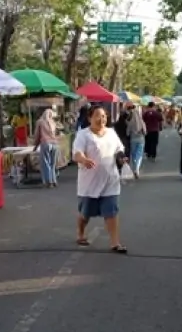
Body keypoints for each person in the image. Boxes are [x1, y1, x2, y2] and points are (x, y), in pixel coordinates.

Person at [72, 105, 128, 253]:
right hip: (89, 183)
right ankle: (80, 233)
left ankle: (115, 243)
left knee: (111, 212)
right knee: (86, 214)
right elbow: (77, 153)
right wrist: (83, 160)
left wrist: (121, 158)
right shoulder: (83, 135)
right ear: (90, 118)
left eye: (104, 116)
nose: (101, 119)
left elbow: (118, 149)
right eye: (97, 115)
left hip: (110, 180)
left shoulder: (111, 133)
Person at [34, 108, 59, 188]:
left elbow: (37, 136)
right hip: (55, 144)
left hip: (46, 143)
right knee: (52, 164)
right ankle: (54, 180)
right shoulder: (53, 122)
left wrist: (35, 146)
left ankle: (49, 182)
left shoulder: (40, 122)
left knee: (46, 163)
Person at [127, 105, 147, 178]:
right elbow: (145, 132)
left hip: (133, 139)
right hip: (141, 139)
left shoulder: (130, 122)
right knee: (139, 155)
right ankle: (137, 169)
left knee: (134, 155)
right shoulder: (142, 121)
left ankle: (135, 168)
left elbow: (127, 133)